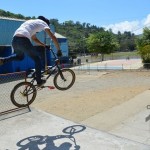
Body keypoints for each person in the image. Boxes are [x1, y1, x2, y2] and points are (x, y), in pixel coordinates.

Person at [0, 16, 62, 86]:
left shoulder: (30, 23)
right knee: (37, 59)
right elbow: (52, 37)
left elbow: (34, 39)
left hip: (14, 40)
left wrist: (44, 45)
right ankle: (39, 81)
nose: (40, 31)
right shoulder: (43, 23)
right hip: (23, 40)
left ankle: (3, 60)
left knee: (19, 57)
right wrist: (59, 50)